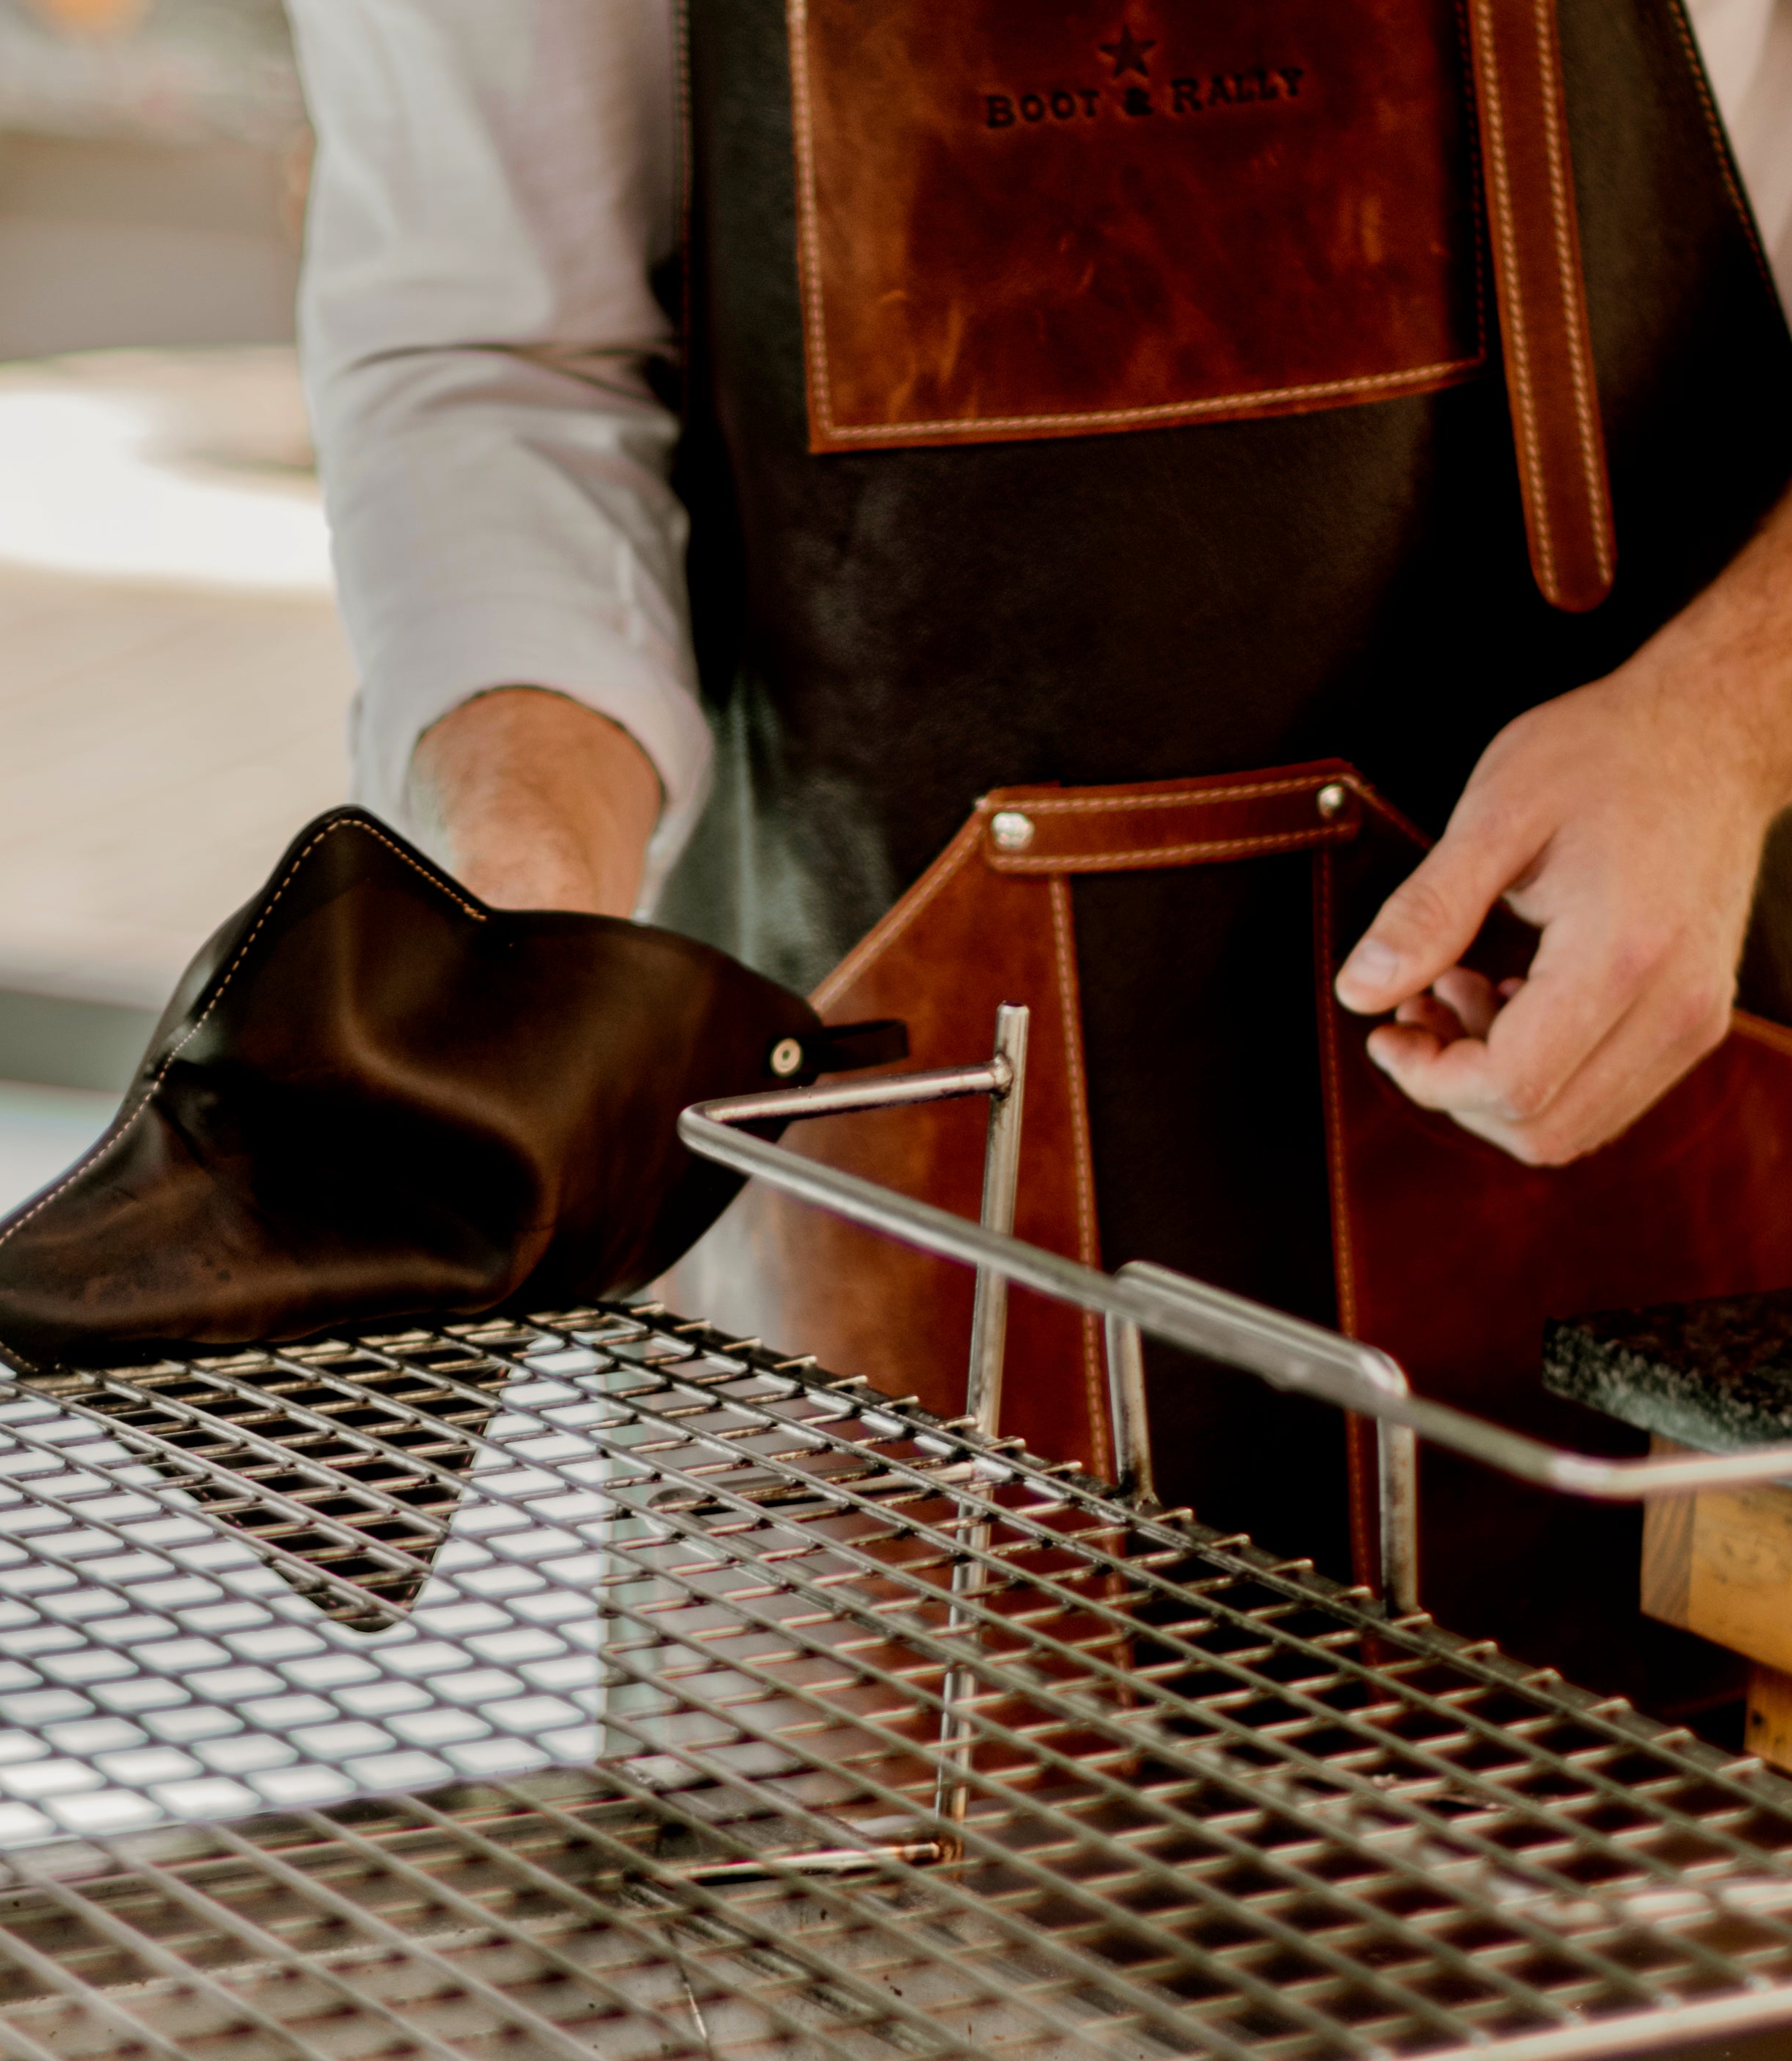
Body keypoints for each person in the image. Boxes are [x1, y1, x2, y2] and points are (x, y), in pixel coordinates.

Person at [277, 0, 1792, 1702]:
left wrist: (1727, 721)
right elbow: (489, 349)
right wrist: (529, 880)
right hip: (885, 1156)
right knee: (873, 1944)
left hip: (1670, 1055)